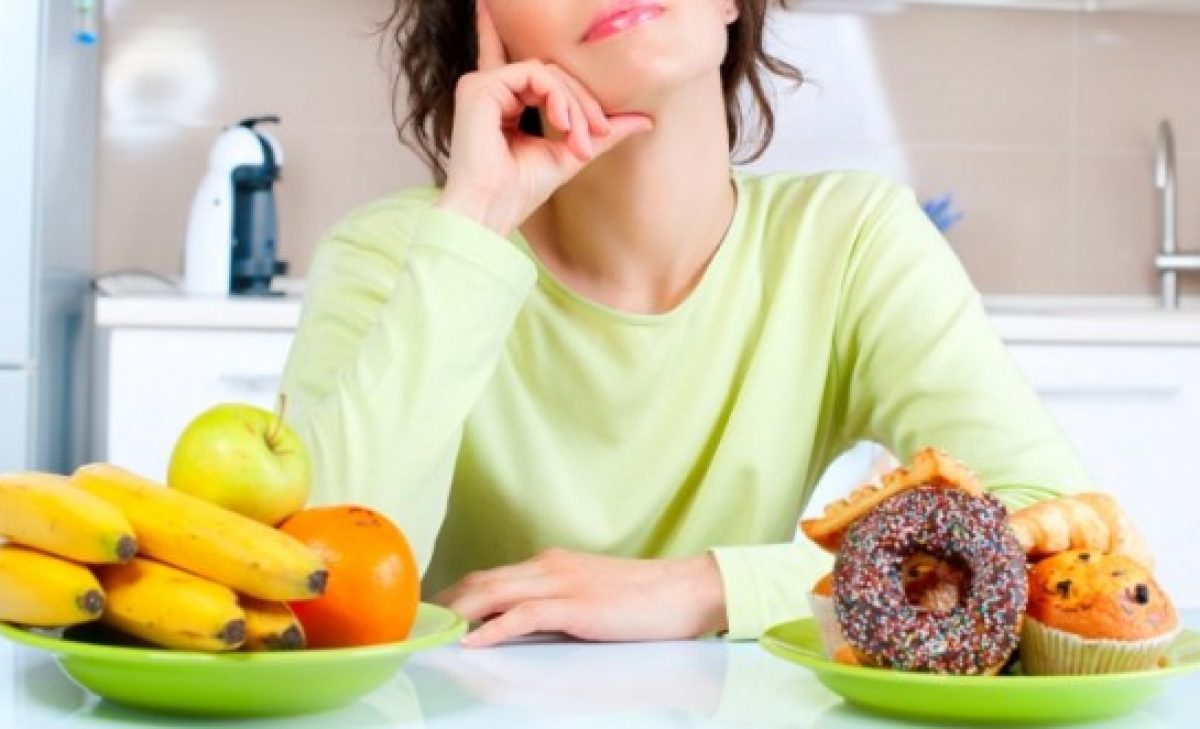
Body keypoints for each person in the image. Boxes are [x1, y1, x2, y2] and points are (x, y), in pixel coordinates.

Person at [279, 0, 1089, 648]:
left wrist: (710, 585)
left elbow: (1062, 532)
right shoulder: (398, 254)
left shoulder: (850, 239)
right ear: (480, 30)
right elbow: (313, 588)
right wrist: (474, 226)